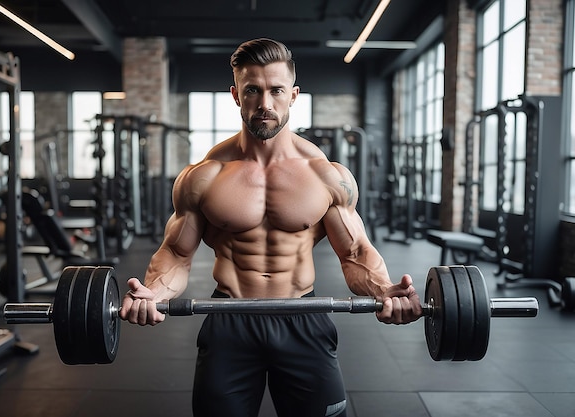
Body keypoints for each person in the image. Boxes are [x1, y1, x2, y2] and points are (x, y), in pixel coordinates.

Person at [120, 38, 423, 417]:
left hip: (302, 317)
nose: (265, 103)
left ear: (293, 95)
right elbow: (177, 255)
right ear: (236, 95)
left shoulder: (325, 175)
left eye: (276, 90)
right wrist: (153, 292)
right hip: (230, 319)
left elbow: (355, 252)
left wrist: (386, 291)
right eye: (253, 91)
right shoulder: (204, 176)